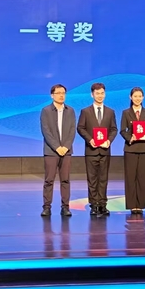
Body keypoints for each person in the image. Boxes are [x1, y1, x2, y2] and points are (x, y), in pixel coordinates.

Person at [77, 83, 118, 215]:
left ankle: (102, 204)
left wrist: (108, 141)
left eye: (102, 93)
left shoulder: (110, 112)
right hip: (91, 150)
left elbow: (114, 129)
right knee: (92, 179)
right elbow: (80, 128)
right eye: (97, 93)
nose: (100, 96)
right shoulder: (85, 111)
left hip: (105, 150)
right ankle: (94, 205)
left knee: (103, 178)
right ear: (92, 94)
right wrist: (90, 140)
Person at [39, 84, 77, 217]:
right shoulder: (46, 111)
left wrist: (66, 146)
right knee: (49, 180)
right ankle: (47, 207)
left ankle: (65, 207)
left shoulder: (70, 111)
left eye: (63, 93)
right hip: (51, 151)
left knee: (65, 180)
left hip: (66, 151)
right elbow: (46, 131)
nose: (61, 95)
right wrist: (57, 147)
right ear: (52, 95)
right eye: (58, 93)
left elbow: (72, 130)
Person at [120, 87, 145, 214]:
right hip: (130, 148)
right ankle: (131, 205)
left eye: (140, 96)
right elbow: (122, 130)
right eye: (135, 96)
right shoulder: (126, 113)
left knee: (142, 177)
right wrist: (131, 138)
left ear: (143, 97)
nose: (137, 98)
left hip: (144, 148)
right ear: (130, 97)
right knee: (130, 177)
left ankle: (140, 205)